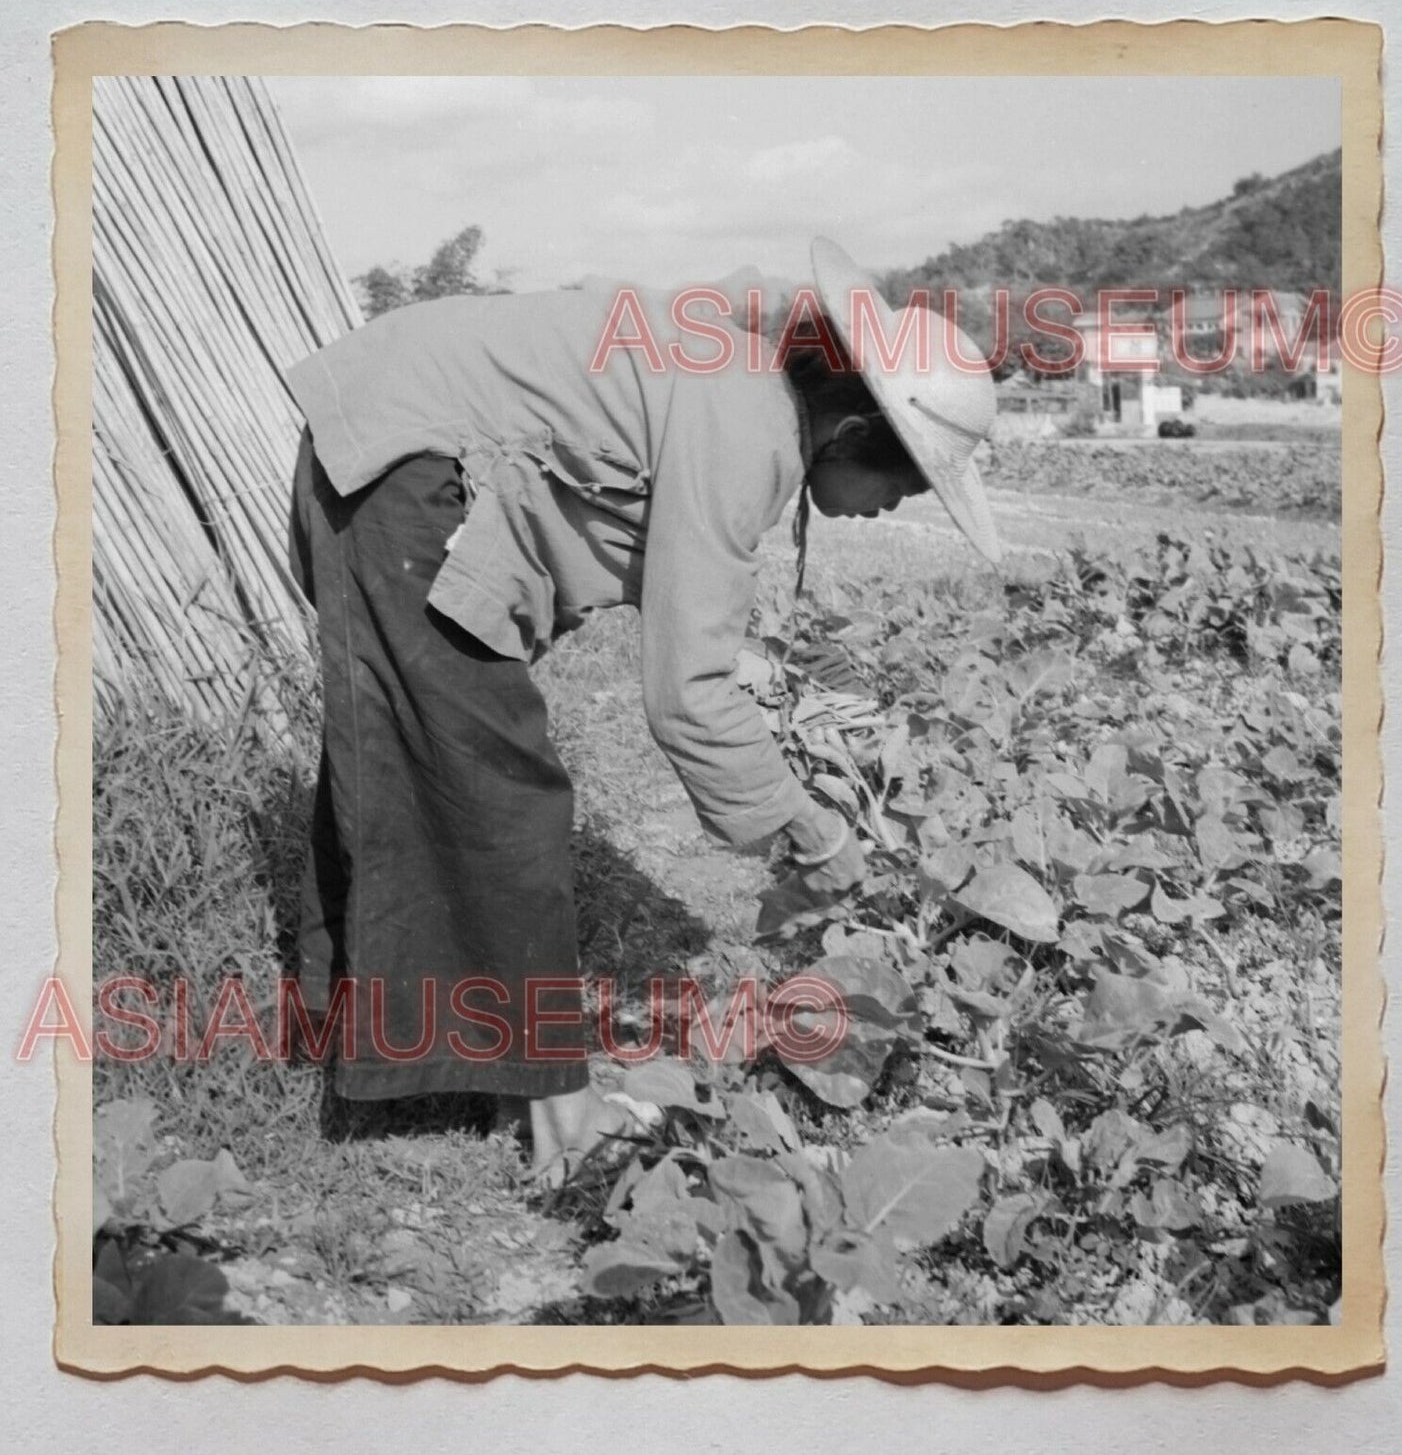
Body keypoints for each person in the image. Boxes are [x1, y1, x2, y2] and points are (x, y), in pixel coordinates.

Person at [283, 237, 1000, 1176]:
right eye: (905, 484)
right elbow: (686, 694)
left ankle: (328, 1035)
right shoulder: (743, 418)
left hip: (386, 446)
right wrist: (809, 834)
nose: (896, 508)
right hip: (403, 469)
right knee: (496, 788)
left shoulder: (743, 381)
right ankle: (555, 1109)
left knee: (402, 757)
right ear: (855, 431)